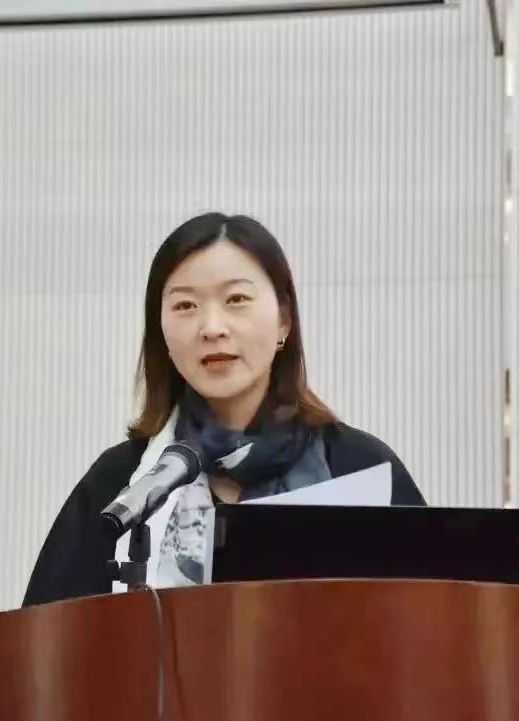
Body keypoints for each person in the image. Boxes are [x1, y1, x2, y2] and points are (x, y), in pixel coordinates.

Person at [22, 212, 425, 606]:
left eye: (236, 300)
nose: (212, 327)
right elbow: (48, 638)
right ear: (160, 329)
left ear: (284, 320)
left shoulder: (359, 467)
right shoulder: (124, 486)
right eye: (185, 306)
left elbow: (433, 622)